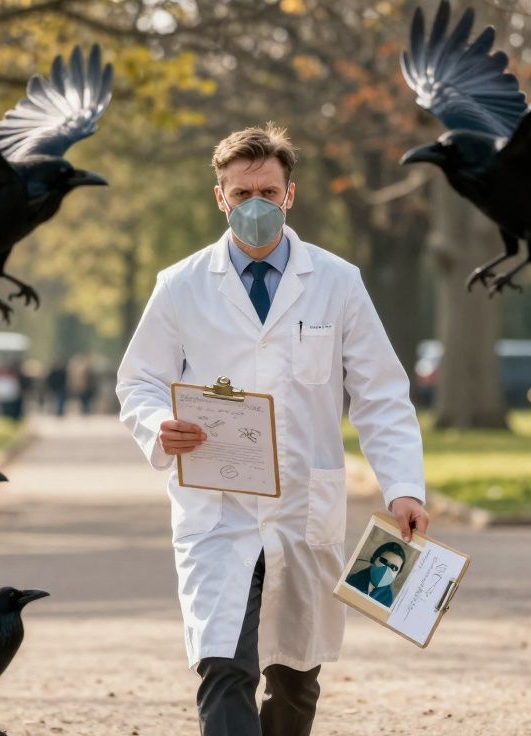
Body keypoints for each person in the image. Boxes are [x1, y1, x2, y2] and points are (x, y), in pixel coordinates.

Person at [116, 123, 428, 736]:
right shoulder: (180, 286)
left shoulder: (338, 282)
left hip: (301, 507)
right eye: (240, 194)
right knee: (224, 668)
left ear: (290, 195)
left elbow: (381, 394)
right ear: (220, 198)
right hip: (217, 507)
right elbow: (138, 382)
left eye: (267, 191)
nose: (253, 206)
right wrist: (159, 426)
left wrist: (404, 488)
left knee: (294, 678)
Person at [344, 542, 407, 607]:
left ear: (397, 575)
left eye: (394, 568)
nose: (386, 570)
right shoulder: (349, 580)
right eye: (383, 561)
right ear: (373, 560)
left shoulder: (388, 602)